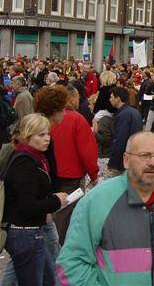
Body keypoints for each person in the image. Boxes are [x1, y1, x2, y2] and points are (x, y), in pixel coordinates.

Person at [56, 131, 154, 284]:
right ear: (126, 160)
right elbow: (72, 264)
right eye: (145, 155)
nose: (153, 162)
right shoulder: (96, 201)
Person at [2, 114, 68, 285]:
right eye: (41, 135)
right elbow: (28, 205)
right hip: (25, 232)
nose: (47, 139)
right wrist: (55, 201)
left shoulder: (33, 158)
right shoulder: (26, 162)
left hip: (29, 231)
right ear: (27, 136)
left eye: (47, 134)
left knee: (47, 277)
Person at [46, 85, 99, 244]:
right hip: (72, 176)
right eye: (77, 98)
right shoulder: (77, 119)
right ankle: (59, 251)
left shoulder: (48, 119)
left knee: (54, 213)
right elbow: (87, 151)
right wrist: (94, 174)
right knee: (68, 217)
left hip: (51, 173)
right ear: (71, 98)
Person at [108, 86, 143, 176]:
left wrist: (113, 162)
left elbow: (120, 139)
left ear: (118, 98)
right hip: (134, 157)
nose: (109, 100)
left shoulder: (123, 114)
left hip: (123, 161)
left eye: (111, 97)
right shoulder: (133, 111)